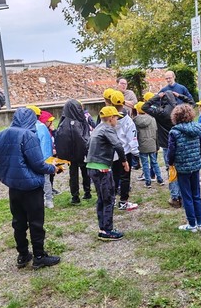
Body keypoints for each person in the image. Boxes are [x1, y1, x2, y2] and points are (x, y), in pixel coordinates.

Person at [0, 108, 60, 269]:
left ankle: (23, 255)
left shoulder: (0, 135)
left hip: (14, 187)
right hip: (31, 188)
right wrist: (53, 168)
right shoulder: (28, 136)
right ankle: (39, 256)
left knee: (18, 222)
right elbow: (38, 164)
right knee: (36, 222)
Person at [142, 90, 195, 208]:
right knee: (182, 169)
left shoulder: (160, 112)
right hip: (181, 142)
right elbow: (192, 103)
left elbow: (144, 106)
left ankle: (175, 197)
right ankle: (183, 195)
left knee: (171, 170)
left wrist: (156, 97)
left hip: (167, 143)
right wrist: (180, 95)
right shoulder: (180, 110)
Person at [86, 106, 129, 241]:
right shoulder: (107, 129)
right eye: (116, 117)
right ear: (111, 118)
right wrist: (124, 162)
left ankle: (102, 227)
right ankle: (107, 230)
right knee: (109, 198)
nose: (117, 120)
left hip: (92, 167)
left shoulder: (98, 128)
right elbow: (117, 145)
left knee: (101, 198)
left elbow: (88, 144)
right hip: (102, 168)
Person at [167, 104, 201, 232]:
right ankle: (200, 222)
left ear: (175, 117)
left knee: (187, 196)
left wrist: (170, 162)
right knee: (196, 194)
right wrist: (200, 159)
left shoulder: (174, 132)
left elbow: (171, 151)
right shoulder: (197, 128)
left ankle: (192, 224)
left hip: (182, 167)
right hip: (195, 166)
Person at [55, 99, 92, 204]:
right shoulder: (81, 121)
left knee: (74, 175)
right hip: (81, 153)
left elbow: (59, 138)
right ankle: (87, 192)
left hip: (71, 155)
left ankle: (75, 196)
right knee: (84, 173)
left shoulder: (63, 123)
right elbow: (86, 136)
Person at [110, 90, 140, 211]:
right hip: (125, 153)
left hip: (112, 153)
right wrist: (136, 153)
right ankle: (123, 201)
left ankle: (111, 200)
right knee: (125, 177)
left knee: (113, 176)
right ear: (123, 102)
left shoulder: (108, 119)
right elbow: (131, 138)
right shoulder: (128, 120)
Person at [27, 105, 54, 209]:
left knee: (39, 180)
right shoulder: (42, 127)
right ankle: (48, 200)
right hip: (46, 158)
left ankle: (43, 200)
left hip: (38, 158)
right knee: (46, 180)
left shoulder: (33, 128)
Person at [133, 101, 164, 188]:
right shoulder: (153, 119)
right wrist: (157, 145)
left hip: (142, 145)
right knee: (154, 162)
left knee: (145, 164)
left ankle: (148, 182)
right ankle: (160, 179)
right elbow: (156, 132)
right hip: (152, 143)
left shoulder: (135, 121)